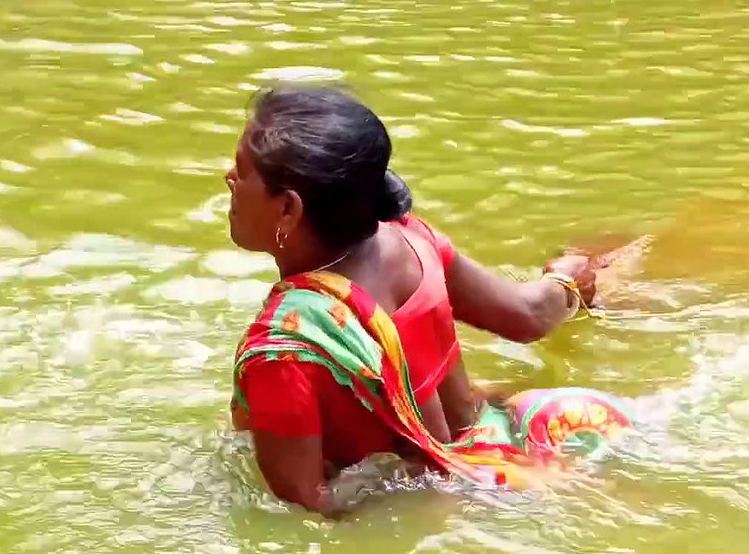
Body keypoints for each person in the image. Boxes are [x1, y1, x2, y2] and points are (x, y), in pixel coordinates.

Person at [224, 86, 635, 517]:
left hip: (468, 499)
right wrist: (568, 278)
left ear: (288, 209)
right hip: (533, 435)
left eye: (241, 170)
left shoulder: (283, 349)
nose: (229, 179)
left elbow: (309, 506)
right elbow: (529, 316)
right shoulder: (411, 240)